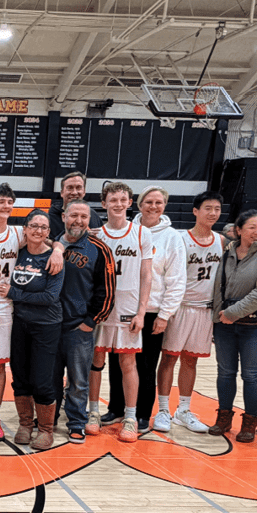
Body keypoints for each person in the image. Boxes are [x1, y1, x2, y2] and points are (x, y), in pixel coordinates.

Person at [0, 183, 63, 442]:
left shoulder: (18, 233)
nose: (6, 206)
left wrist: (59, 249)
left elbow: (45, 240)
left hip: (5, 311)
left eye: (9, 202)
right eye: (1, 201)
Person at [103, 187, 186, 432]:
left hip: (150, 311)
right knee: (118, 361)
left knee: (146, 365)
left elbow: (177, 279)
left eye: (158, 202)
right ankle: (117, 408)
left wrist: (165, 314)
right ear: (138, 205)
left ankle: (141, 414)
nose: (153, 206)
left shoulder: (172, 237)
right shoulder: (126, 230)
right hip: (120, 308)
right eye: (148, 201)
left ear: (165, 205)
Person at [208, 210, 257, 442]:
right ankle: (224, 417)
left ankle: (250, 421)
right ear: (238, 230)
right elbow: (217, 287)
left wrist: (232, 313)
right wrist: (218, 317)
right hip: (224, 324)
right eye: (252, 227)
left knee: (251, 374)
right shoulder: (226, 252)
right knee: (225, 372)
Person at [86, 181, 153, 443]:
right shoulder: (96, 235)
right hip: (101, 307)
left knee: (128, 363)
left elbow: (147, 275)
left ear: (129, 203)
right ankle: (93, 412)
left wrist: (142, 312)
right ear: (104, 204)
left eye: (122, 199)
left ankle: (130, 417)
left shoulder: (141, 234)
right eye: (112, 199)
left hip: (128, 307)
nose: (117, 204)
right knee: (96, 361)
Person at [153, 191, 225, 435]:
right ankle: (163, 409)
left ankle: (183, 410)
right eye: (208, 208)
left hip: (205, 309)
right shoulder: (181, 239)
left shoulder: (221, 241)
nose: (213, 213)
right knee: (169, 358)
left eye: (216, 209)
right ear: (195, 211)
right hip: (180, 306)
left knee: (190, 360)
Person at [53, 200, 116, 443]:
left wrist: (91, 321)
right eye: (73, 215)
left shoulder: (99, 248)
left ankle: (77, 421)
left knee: (78, 380)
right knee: (50, 377)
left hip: (79, 327)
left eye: (84, 216)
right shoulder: (51, 244)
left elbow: (107, 291)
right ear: (64, 216)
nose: (78, 221)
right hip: (50, 326)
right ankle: (49, 418)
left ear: (89, 220)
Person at [6, 210, 66, 451]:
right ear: (25, 229)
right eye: (34, 225)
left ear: (48, 233)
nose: (38, 230)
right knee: (20, 376)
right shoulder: (17, 254)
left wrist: (13, 293)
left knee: (42, 380)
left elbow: (50, 297)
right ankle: (24, 424)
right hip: (19, 323)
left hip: (46, 325)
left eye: (43, 227)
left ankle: (45, 430)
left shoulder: (54, 258)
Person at [47, 171, 103, 239]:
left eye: (78, 187)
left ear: (84, 192)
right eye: (70, 188)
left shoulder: (94, 216)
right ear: (62, 193)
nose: (74, 192)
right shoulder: (50, 218)